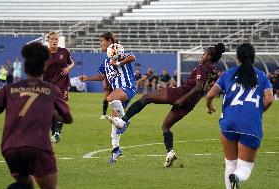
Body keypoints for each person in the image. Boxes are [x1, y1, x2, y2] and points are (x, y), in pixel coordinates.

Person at [107, 43, 226, 167]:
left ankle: (123, 121)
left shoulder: (203, 67)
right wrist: (204, 103)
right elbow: (206, 88)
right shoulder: (214, 71)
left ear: (209, 56)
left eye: (204, 54)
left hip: (181, 94)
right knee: (166, 126)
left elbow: (198, 86)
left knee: (146, 98)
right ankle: (170, 153)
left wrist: (181, 99)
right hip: (191, 103)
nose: (202, 55)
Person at [0, 42, 73, 189]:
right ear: (45, 67)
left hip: (10, 147)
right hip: (38, 146)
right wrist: (55, 114)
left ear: (24, 68)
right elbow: (68, 118)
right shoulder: (51, 90)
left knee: (25, 184)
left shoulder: (10, 89)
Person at [206, 43, 273, 189]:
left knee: (230, 163)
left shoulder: (228, 74)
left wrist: (209, 106)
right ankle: (237, 176)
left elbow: (210, 94)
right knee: (245, 168)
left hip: (228, 123)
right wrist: (259, 111)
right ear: (253, 57)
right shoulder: (261, 76)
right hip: (250, 125)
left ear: (237, 58)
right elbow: (269, 99)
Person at [79, 31, 136, 164]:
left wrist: (118, 64)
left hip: (127, 87)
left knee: (110, 98)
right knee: (114, 122)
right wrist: (87, 78)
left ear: (109, 41)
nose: (100, 44)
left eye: (101, 41)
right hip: (119, 93)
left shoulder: (118, 51)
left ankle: (126, 121)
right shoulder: (105, 62)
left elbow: (132, 57)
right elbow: (101, 76)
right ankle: (116, 149)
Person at [43, 31, 75, 143]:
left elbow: (72, 63)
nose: (54, 41)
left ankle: (57, 133)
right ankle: (54, 132)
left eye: (56, 39)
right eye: (52, 39)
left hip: (62, 84)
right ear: (48, 40)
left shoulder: (64, 52)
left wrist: (68, 69)